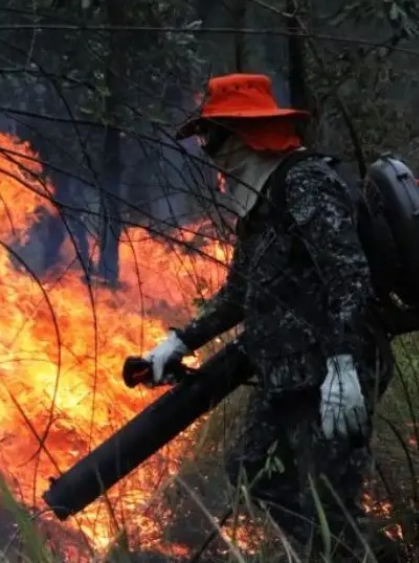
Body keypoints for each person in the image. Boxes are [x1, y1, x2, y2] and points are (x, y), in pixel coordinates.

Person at [142, 73, 395, 560]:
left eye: (211, 135)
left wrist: (343, 367)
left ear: (239, 135)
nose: (208, 150)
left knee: (332, 502)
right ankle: (320, 552)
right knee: (249, 467)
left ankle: (356, 553)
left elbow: (349, 277)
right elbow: (239, 293)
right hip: (284, 372)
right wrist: (180, 340)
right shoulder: (259, 203)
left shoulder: (305, 183)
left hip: (332, 373)